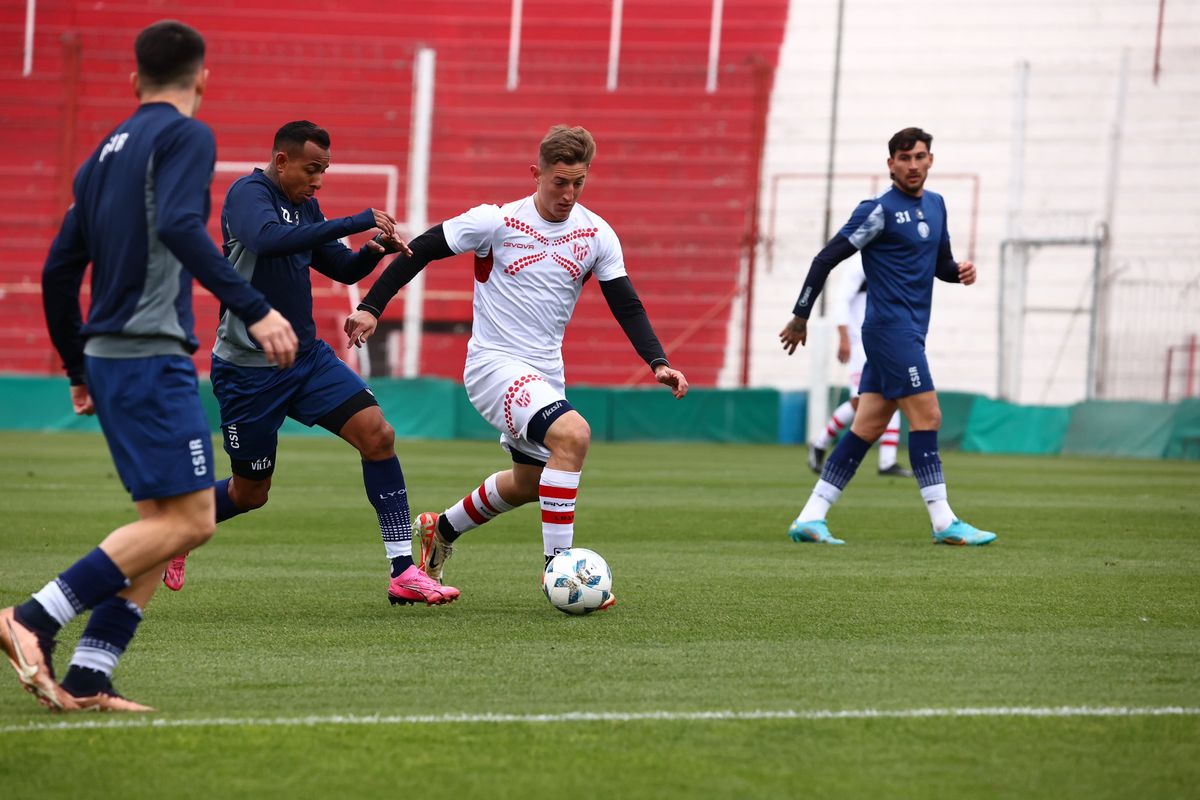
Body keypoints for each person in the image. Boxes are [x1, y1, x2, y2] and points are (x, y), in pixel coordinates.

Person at [2, 19, 299, 713]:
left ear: (133, 80)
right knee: (193, 520)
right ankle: (33, 617)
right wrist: (253, 307)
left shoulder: (100, 156)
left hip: (111, 356)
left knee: (158, 523)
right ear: (203, 78)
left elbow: (57, 271)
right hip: (148, 353)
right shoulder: (187, 135)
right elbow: (177, 225)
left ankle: (89, 675)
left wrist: (77, 367)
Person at [344, 125, 689, 606]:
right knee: (574, 434)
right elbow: (419, 248)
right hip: (493, 366)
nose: (569, 194)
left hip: (545, 374)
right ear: (537, 174)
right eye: (560, 182)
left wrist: (658, 361)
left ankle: (439, 530)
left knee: (530, 484)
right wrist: (372, 307)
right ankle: (561, 572)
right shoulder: (496, 221)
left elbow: (626, 304)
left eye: (578, 183)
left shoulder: (596, 233)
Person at [162, 120, 459, 608]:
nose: (318, 180)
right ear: (282, 161)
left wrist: (373, 249)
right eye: (312, 169)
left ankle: (403, 570)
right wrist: (354, 220)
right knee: (250, 492)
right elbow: (267, 240)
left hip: (305, 360)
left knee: (378, 435)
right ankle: (179, 527)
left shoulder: (305, 207)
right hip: (248, 371)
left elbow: (341, 267)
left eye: (324, 170)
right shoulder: (247, 195)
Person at [779, 126, 996, 546]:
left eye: (919, 157)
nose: (912, 165)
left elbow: (941, 264)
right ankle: (943, 521)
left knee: (867, 426)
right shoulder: (877, 211)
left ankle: (810, 516)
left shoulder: (936, 206)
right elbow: (826, 258)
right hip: (889, 331)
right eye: (904, 158)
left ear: (930, 160)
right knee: (928, 417)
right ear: (890, 164)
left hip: (910, 331)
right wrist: (801, 315)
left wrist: (959, 273)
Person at [807, 257, 912, 477]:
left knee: (892, 396)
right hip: (860, 342)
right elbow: (842, 300)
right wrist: (844, 337)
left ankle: (887, 461)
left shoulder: (889, 261)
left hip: (883, 343)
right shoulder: (860, 263)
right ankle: (819, 444)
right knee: (859, 403)